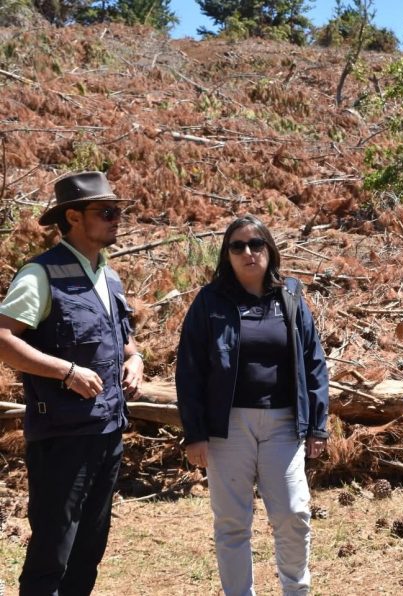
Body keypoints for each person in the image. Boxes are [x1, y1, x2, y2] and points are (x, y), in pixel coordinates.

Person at [0, 171, 144, 594]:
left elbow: (125, 340)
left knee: (89, 549)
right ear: (73, 217)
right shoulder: (40, 274)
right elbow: (3, 338)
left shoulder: (109, 277)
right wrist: (66, 371)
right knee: (53, 551)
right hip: (61, 438)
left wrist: (136, 359)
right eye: (106, 212)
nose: (116, 219)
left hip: (107, 431)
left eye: (117, 212)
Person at [176, 214, 329, 596]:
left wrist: (317, 425)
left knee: (293, 513)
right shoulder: (210, 301)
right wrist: (195, 432)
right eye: (238, 246)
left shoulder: (290, 297)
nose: (248, 252)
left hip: (284, 424)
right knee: (232, 522)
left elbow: (314, 362)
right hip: (227, 427)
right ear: (226, 254)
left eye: (256, 244)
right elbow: (190, 369)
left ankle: (296, 590)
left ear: (269, 249)